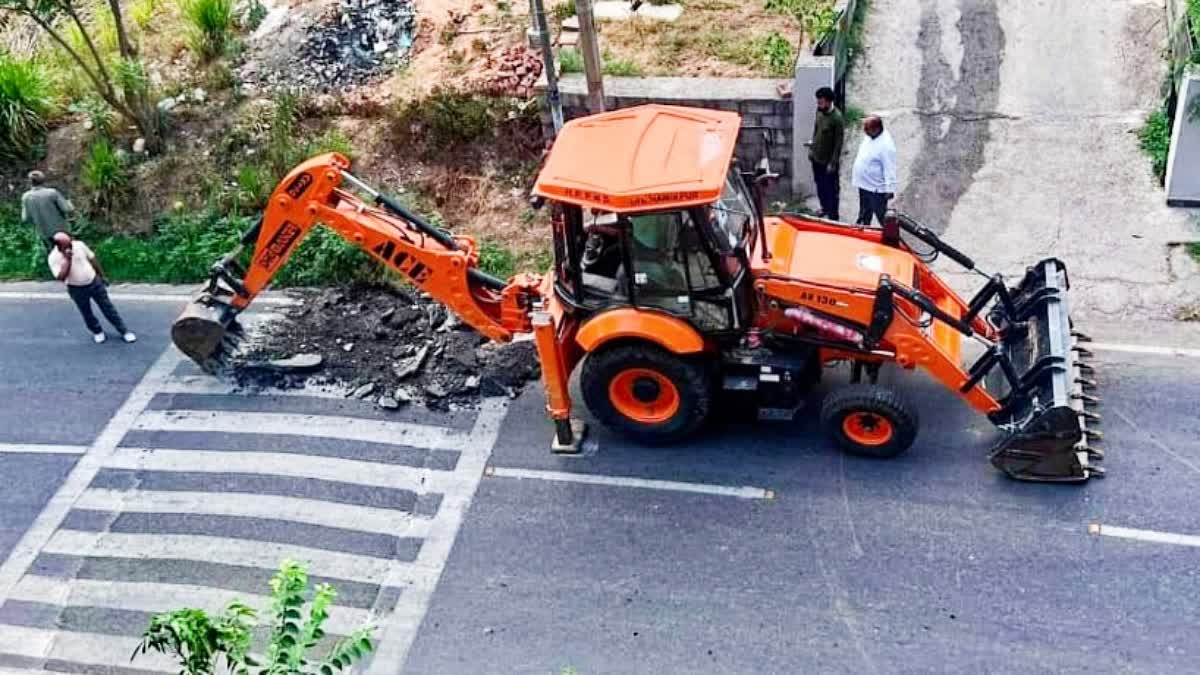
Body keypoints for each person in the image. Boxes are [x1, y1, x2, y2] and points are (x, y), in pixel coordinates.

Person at [47, 232, 136, 344]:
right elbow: (61, 277)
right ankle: (97, 331)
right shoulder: (53, 258)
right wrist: (67, 260)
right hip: (76, 288)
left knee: (108, 308)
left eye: (70, 242)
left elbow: (92, 258)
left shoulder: (79, 245)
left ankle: (124, 331)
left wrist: (102, 276)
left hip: (94, 281)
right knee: (86, 312)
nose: (71, 245)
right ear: (59, 246)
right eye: (67, 245)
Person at [851, 115, 898, 227]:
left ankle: (891, 237)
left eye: (867, 129)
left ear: (876, 129)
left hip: (876, 189)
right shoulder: (870, 136)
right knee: (864, 213)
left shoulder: (886, 146)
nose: (864, 131)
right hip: (864, 185)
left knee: (882, 216)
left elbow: (890, 168)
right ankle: (862, 232)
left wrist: (889, 189)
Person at [808, 87, 845, 221]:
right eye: (818, 102)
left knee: (832, 190)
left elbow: (838, 143)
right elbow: (816, 130)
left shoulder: (837, 118)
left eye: (821, 102)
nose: (819, 105)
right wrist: (812, 149)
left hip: (828, 162)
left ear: (829, 102)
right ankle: (824, 208)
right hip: (816, 159)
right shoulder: (819, 112)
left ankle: (834, 216)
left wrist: (833, 163)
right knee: (820, 186)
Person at [21, 171, 75, 251]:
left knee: (54, 257)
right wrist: (69, 203)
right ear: (43, 180)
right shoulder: (52, 193)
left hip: (44, 234)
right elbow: (66, 209)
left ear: (30, 182)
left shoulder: (26, 197)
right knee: (70, 253)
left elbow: (25, 219)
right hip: (61, 231)